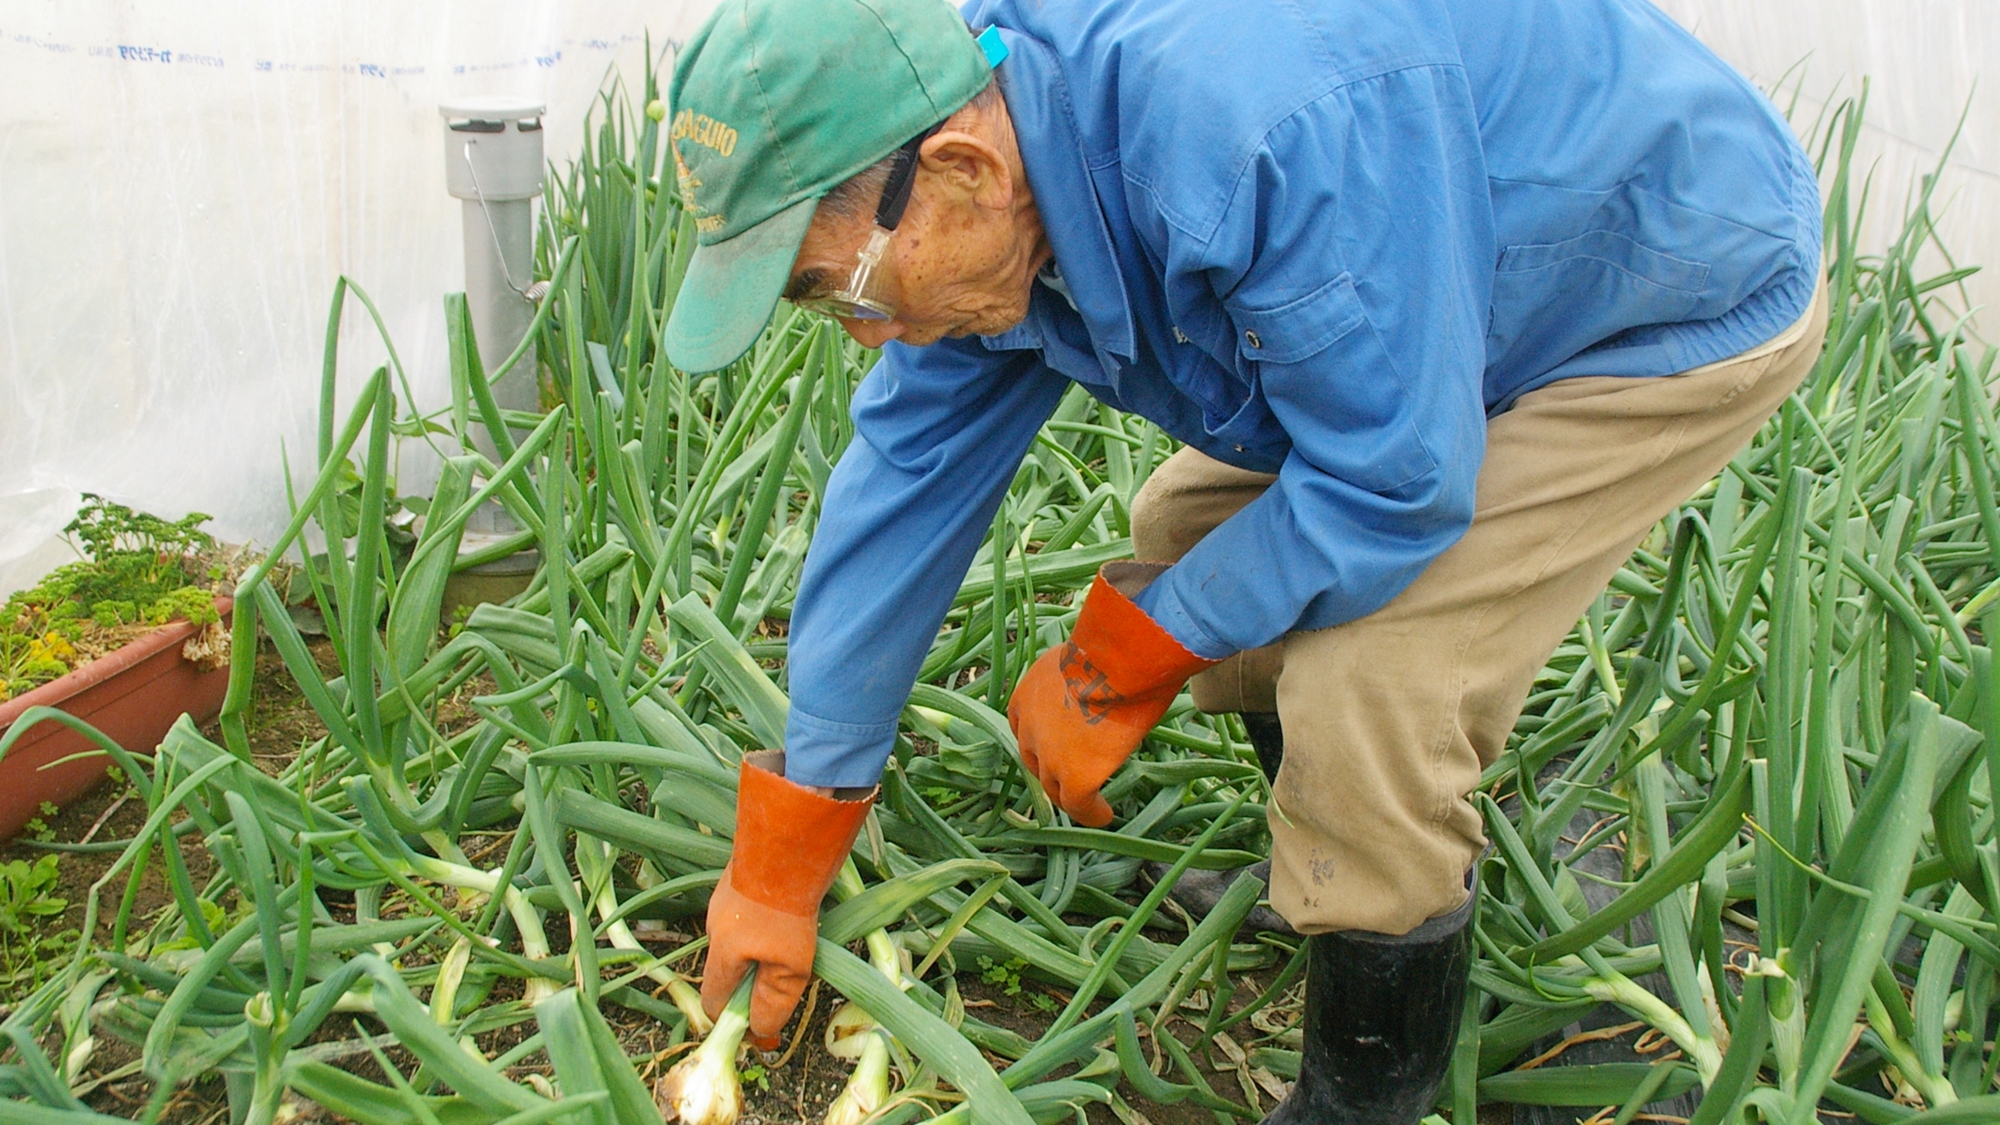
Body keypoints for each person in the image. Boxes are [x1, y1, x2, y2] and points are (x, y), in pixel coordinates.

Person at [660, 0, 1824, 1118]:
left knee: (1374, 680)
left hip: (1657, 294)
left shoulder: (1254, 132)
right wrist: (788, 844)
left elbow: (1393, 482)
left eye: (846, 291)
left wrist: (1131, 652)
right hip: (1445, 280)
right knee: (1189, 531)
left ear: (963, 170)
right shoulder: (978, 147)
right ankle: (1321, 869)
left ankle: (1365, 1094)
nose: (869, 333)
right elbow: (903, 489)